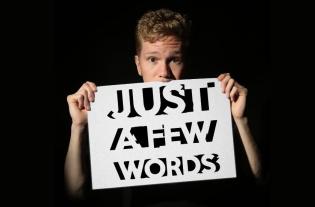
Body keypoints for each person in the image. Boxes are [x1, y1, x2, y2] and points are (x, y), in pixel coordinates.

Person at [64, 8, 263, 206]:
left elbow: (258, 181)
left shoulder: (216, 108)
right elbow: (75, 193)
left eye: (174, 60)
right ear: (138, 65)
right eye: (153, 59)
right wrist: (78, 127)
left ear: (186, 62)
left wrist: (240, 120)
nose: (164, 72)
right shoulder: (110, 117)